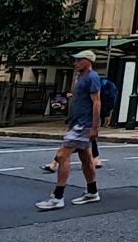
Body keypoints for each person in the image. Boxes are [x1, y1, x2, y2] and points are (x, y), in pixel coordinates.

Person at [35, 51, 102, 211]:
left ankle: (57, 197)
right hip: (78, 122)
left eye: (79, 60)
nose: (75, 63)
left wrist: (94, 127)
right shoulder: (80, 78)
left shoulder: (92, 78)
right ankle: (92, 192)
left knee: (61, 156)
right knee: (85, 157)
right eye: (75, 60)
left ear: (88, 61)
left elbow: (97, 102)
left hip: (84, 124)